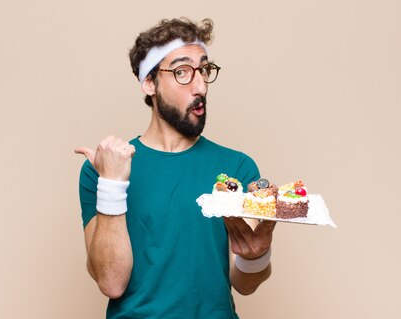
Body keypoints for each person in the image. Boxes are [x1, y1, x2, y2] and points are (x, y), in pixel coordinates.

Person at [75, 17, 277, 318]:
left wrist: (257, 255)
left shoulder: (237, 167)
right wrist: (112, 185)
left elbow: (244, 285)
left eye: (204, 70)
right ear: (149, 83)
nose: (200, 86)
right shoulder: (102, 170)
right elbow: (111, 282)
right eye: (182, 71)